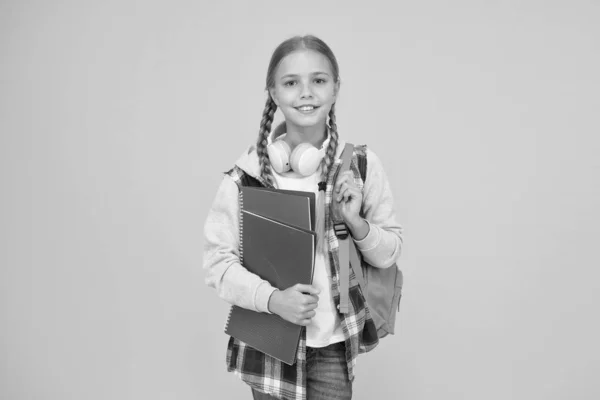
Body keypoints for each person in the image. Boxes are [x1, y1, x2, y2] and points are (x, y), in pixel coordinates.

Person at [203, 34, 403, 400]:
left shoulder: (360, 165)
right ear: (274, 93)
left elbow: (389, 253)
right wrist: (273, 299)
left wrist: (357, 223)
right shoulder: (246, 175)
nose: (306, 92)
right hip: (268, 343)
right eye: (291, 82)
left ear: (336, 88)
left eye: (319, 80)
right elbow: (217, 264)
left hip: (332, 346)